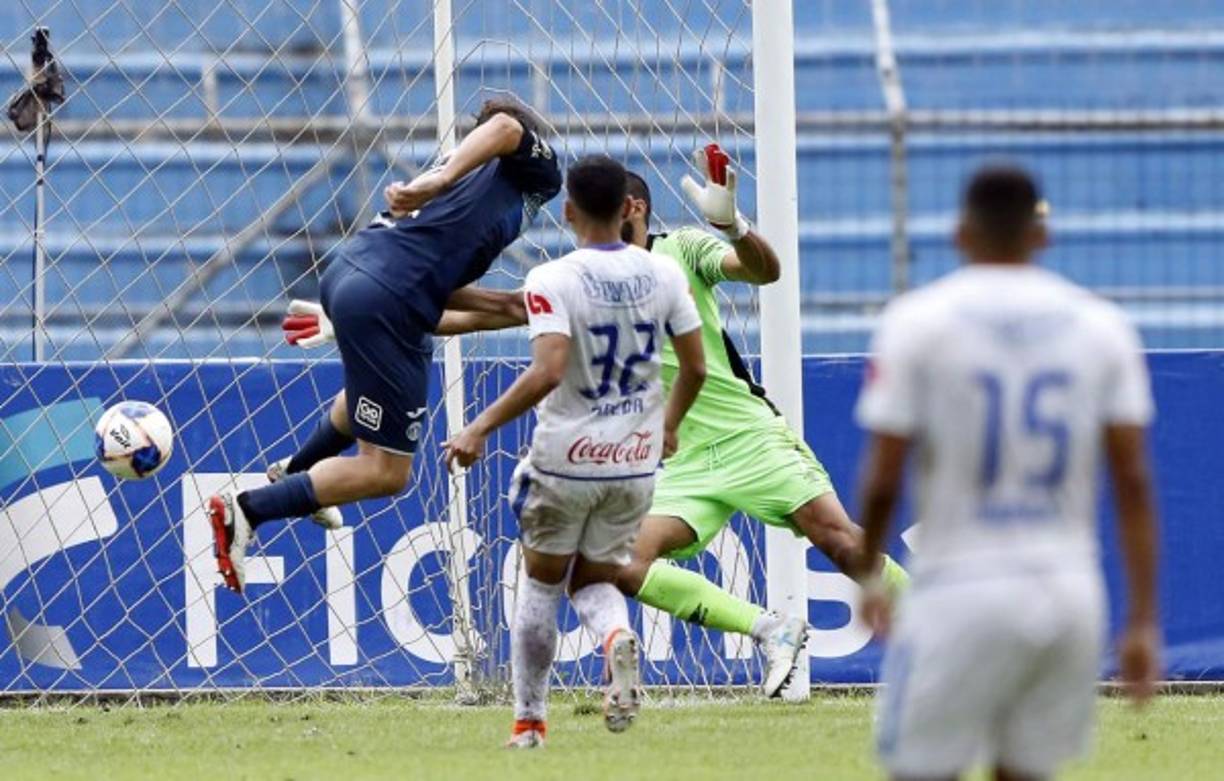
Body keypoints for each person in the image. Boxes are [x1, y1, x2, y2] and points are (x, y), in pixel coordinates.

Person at [854, 164, 1161, 781]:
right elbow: (1132, 482)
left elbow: (885, 477)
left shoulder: (918, 322)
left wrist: (868, 575)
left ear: (960, 233)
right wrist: (1143, 619)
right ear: (1040, 235)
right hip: (1067, 591)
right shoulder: (1102, 328)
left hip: (956, 588)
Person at [206, 96, 562, 593]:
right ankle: (247, 511)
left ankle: (298, 470)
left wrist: (505, 308)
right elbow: (505, 125)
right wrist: (434, 181)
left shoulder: (467, 200)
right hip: (385, 297)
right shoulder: (533, 177)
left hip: (354, 274)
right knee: (387, 472)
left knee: (373, 395)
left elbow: (431, 300)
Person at [613, 147, 909, 697]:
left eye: (589, 208)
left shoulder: (683, 248)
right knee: (623, 561)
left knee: (840, 542)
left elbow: (762, 271)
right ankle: (770, 629)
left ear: (632, 207)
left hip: (748, 437)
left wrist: (733, 227)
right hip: (685, 459)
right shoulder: (589, 279)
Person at [443, 155, 706, 748]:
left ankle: (530, 721)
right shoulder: (665, 275)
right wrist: (669, 426)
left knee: (540, 585)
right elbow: (695, 366)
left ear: (568, 212)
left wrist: (478, 426)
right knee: (593, 581)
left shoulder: (552, 278)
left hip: (566, 459)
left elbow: (548, 369)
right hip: (635, 463)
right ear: (627, 209)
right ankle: (615, 641)